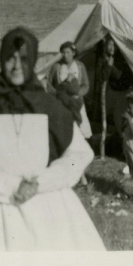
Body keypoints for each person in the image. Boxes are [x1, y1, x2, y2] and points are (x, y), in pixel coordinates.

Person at [0, 27, 105, 251]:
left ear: (32, 61)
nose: (16, 66)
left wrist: (42, 182)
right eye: (10, 58)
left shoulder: (50, 107)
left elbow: (79, 154)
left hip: (44, 204)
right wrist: (6, 186)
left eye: (23, 59)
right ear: (1, 60)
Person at [47, 41, 92, 186]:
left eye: (68, 52)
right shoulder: (56, 67)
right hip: (61, 104)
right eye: (63, 52)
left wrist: (78, 94)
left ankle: (79, 172)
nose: (66, 55)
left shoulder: (79, 66)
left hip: (75, 104)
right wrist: (58, 95)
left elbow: (85, 85)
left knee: (79, 134)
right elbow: (49, 85)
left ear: (73, 53)